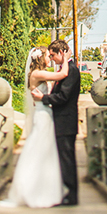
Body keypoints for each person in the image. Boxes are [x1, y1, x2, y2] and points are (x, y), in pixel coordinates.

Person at [1, 47, 68, 208]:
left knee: (44, 151)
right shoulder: (37, 74)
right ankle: (31, 189)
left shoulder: (39, 73)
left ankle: (41, 188)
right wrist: (65, 58)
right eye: (47, 55)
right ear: (40, 58)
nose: (50, 58)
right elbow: (62, 74)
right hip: (42, 116)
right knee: (39, 150)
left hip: (45, 113)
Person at [32, 39, 80, 205]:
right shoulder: (65, 70)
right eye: (49, 55)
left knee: (67, 159)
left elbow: (63, 97)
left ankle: (71, 196)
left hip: (66, 122)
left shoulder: (71, 70)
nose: (51, 58)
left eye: (53, 55)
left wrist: (43, 98)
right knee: (63, 159)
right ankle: (66, 193)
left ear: (62, 53)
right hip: (60, 122)